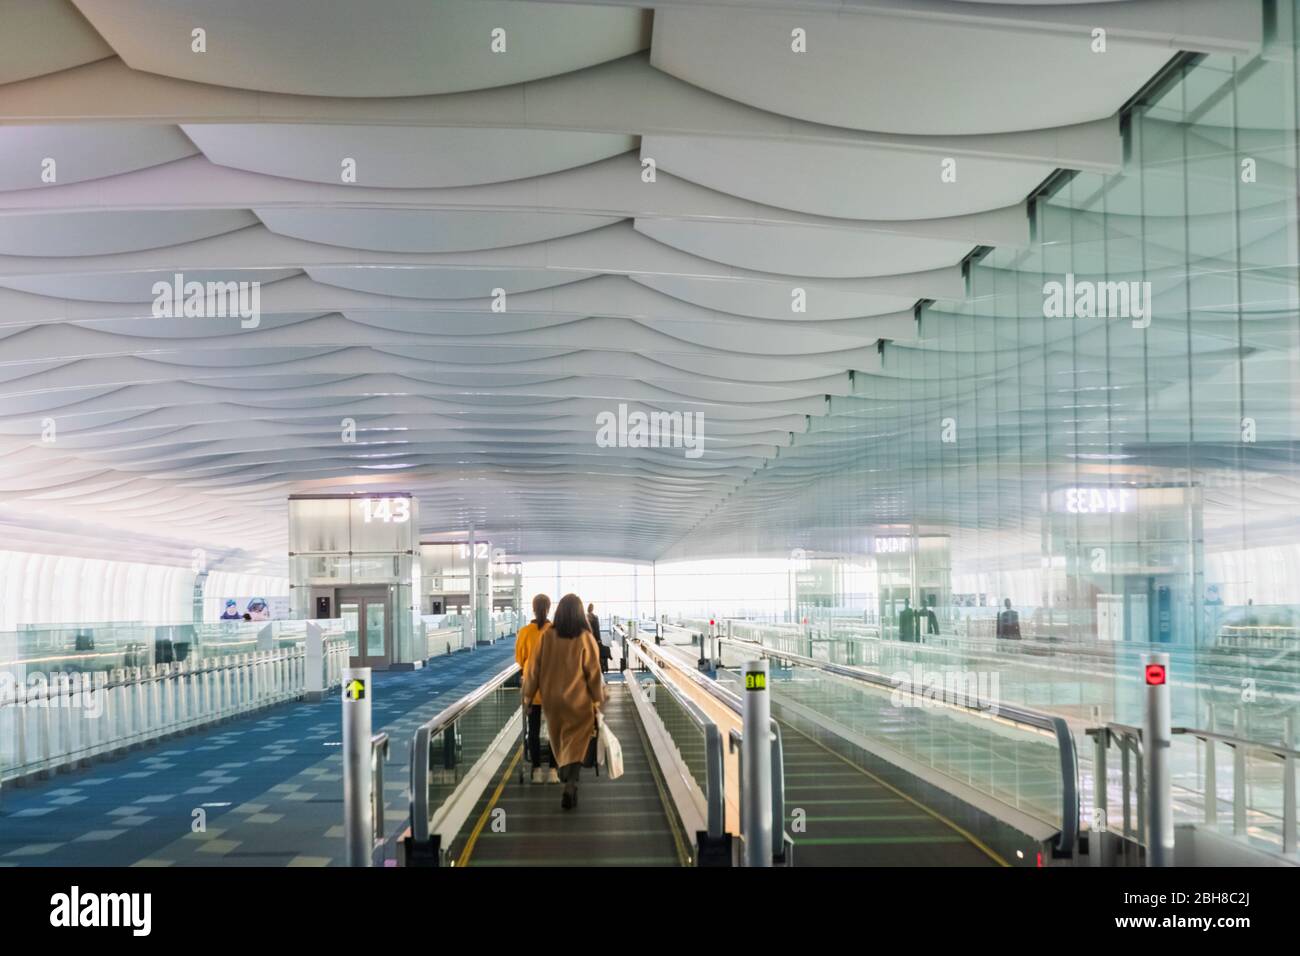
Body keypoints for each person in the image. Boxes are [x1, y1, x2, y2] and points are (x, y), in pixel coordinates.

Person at [521, 593, 607, 811]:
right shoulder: (585, 637)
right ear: (580, 613)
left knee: (559, 740)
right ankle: (570, 782)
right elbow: (593, 672)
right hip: (579, 701)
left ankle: (561, 771)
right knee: (577, 742)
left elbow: (533, 670)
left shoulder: (547, 636)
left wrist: (528, 697)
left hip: (552, 702)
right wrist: (598, 698)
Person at [515, 594, 559, 784]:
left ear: (533, 608)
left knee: (532, 730)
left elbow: (519, 659)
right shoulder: (556, 631)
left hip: (531, 689)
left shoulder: (525, 632)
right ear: (548, 608)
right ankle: (554, 771)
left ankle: (536, 770)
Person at [588, 602, 610, 673]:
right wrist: (599, 639)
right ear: (592, 609)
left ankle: (591, 670)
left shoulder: (585, 617)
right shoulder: (595, 617)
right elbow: (597, 629)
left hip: (588, 639)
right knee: (597, 653)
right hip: (595, 639)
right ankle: (600, 668)